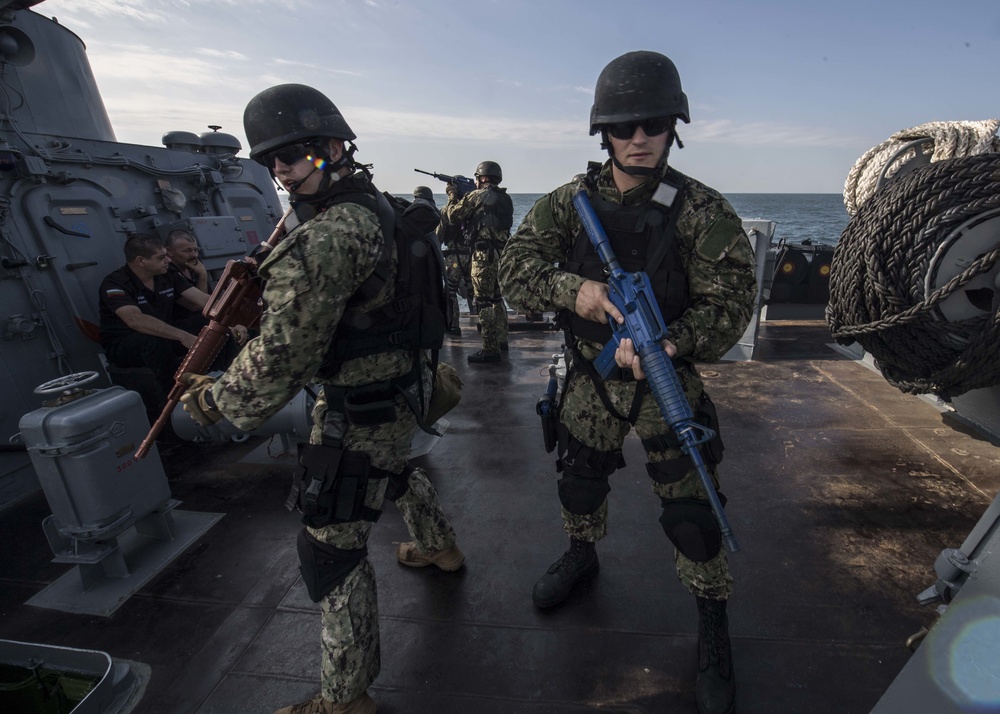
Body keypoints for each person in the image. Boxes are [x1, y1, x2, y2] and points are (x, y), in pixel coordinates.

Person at [178, 83, 464, 714]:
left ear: (334, 148)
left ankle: (343, 697)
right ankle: (439, 547)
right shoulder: (380, 205)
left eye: (294, 153)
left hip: (357, 403)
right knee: (390, 471)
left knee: (331, 550)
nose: (281, 169)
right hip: (399, 392)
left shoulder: (331, 234)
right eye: (271, 161)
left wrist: (216, 398)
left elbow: (285, 353)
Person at [499, 51, 758, 714]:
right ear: (602, 133)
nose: (639, 137)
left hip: (664, 379)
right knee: (579, 476)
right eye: (623, 126)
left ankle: (712, 622)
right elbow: (515, 270)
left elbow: (730, 301)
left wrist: (672, 343)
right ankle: (581, 554)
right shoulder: (568, 204)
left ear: (675, 128)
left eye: (654, 124)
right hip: (590, 376)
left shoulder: (702, 210)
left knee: (694, 513)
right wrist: (575, 290)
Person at [98, 232, 214, 395]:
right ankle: (176, 397)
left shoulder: (167, 274)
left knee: (206, 323)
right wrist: (182, 336)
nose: (167, 260)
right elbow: (135, 320)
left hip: (162, 335)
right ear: (141, 261)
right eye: (161, 257)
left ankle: (224, 377)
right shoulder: (115, 283)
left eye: (166, 256)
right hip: (126, 344)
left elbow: (202, 300)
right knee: (152, 342)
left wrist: (233, 319)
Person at [440, 160, 513, 362]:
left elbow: (453, 216)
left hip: (483, 255)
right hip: (501, 254)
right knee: (498, 298)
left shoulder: (476, 196)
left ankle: (490, 349)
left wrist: (452, 195)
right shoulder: (505, 198)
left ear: (481, 178)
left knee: (483, 301)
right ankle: (501, 339)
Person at [165, 228, 209, 294]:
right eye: (187, 251)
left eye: (196, 250)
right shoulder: (168, 274)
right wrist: (203, 276)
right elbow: (199, 303)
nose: (194, 255)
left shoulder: (195, 268)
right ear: (170, 251)